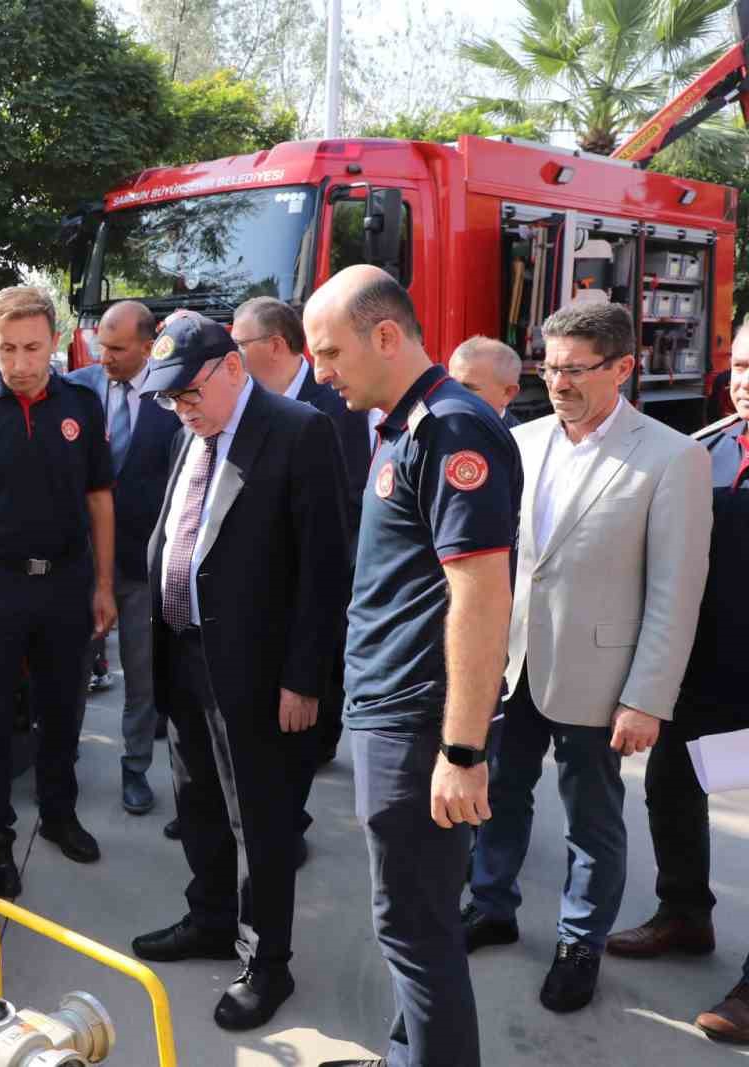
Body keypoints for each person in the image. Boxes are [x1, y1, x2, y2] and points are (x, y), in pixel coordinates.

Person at [462, 302, 711, 1014]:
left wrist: (647, 698)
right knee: (498, 794)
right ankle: (491, 901)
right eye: (549, 364)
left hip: (601, 679)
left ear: (623, 367)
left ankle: (580, 942)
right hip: (511, 665)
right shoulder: (523, 438)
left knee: (591, 822)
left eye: (575, 368)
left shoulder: (671, 457)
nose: (557, 380)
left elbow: (675, 589)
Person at [304, 265, 521, 1067]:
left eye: (330, 352)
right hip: (392, 713)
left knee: (417, 930)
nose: (321, 371)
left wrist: (462, 752)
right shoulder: (405, 425)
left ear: (386, 336)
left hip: (420, 723)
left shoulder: (450, 429)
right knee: (411, 924)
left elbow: (480, 597)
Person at [128, 310, 349, 1032]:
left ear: (232, 367)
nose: (180, 408)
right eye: (167, 398)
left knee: (260, 819)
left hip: (259, 673)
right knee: (196, 803)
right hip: (186, 652)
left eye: (188, 392)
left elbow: (323, 570)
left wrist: (305, 678)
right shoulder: (188, 431)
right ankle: (212, 918)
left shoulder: (296, 432)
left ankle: (267, 960)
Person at [0, 285, 117, 899]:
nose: (21, 362)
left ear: (54, 343)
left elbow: (100, 501)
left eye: (33, 348)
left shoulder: (82, 406)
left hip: (65, 582)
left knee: (63, 708)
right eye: (7, 349)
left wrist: (104, 585)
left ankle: (60, 814)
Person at [604, 327, 749, 1042]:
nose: (745, 380)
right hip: (704, 675)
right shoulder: (711, 445)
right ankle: (685, 913)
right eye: (743, 363)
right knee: (674, 787)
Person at [235, 294, 366, 777]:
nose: (233, 354)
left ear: (273, 345)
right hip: (262, 574)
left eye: (239, 343)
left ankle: (318, 745)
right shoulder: (245, 402)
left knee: (317, 663)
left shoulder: (334, 404)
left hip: (316, 564)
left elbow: (347, 493)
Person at [67, 301, 181, 815]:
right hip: (79, 564)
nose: (104, 356)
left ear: (147, 342)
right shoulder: (76, 389)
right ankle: (60, 761)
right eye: (101, 346)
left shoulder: (173, 395)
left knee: (142, 675)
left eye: (116, 348)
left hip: (142, 567)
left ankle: (135, 770)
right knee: (68, 670)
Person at [448, 335, 522, 426]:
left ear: (508, 393)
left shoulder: (520, 439)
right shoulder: (434, 430)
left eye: (466, 388)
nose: (451, 395)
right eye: (450, 384)